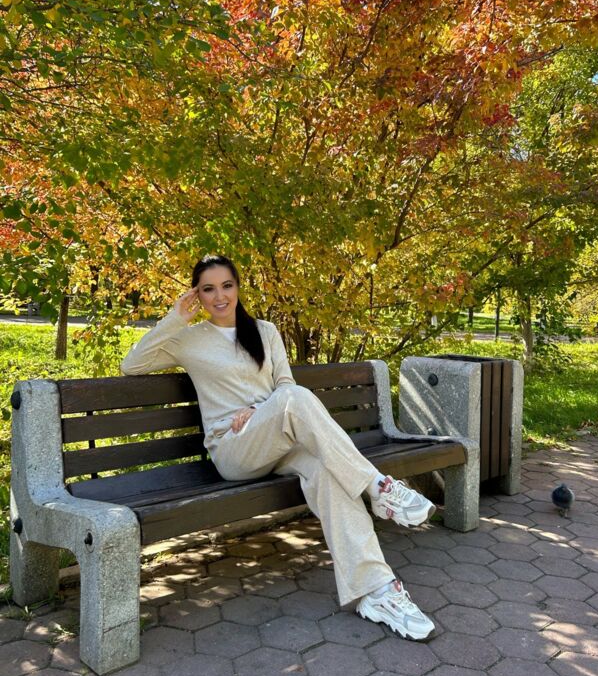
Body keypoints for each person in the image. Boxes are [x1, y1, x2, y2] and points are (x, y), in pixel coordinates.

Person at [121, 254, 437, 639]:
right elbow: (131, 365)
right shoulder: (187, 339)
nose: (219, 296)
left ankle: (376, 591)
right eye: (208, 289)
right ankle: (378, 488)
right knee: (296, 400)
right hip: (234, 449)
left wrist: (260, 410)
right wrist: (175, 318)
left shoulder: (265, 331)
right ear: (197, 295)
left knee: (327, 471)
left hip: (278, 441)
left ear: (238, 287)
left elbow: (284, 384)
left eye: (227, 286)